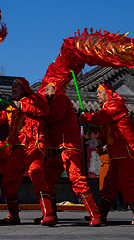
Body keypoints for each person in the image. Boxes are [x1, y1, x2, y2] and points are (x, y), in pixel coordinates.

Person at [0, 77, 52, 226]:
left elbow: (43, 110)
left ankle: (49, 214)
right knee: (8, 183)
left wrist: (21, 105)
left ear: (25, 88)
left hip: (33, 148)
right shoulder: (12, 107)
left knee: (37, 179)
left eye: (17, 86)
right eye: (12, 87)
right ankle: (13, 216)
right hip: (16, 151)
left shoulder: (35, 99)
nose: (13, 89)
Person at [80, 83, 134, 225]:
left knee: (125, 184)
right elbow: (104, 135)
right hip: (116, 154)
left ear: (108, 93)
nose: (97, 95)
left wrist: (86, 116)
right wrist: (97, 142)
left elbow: (99, 118)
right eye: (96, 93)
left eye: (100, 92)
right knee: (108, 185)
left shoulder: (115, 105)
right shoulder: (105, 110)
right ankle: (101, 215)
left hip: (129, 152)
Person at [41, 82, 102, 226]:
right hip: (56, 149)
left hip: (67, 148)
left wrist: (34, 114)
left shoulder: (60, 98)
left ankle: (96, 215)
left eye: (47, 89)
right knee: (46, 182)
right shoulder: (49, 102)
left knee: (77, 179)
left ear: (55, 89)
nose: (45, 91)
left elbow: (53, 117)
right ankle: (51, 215)